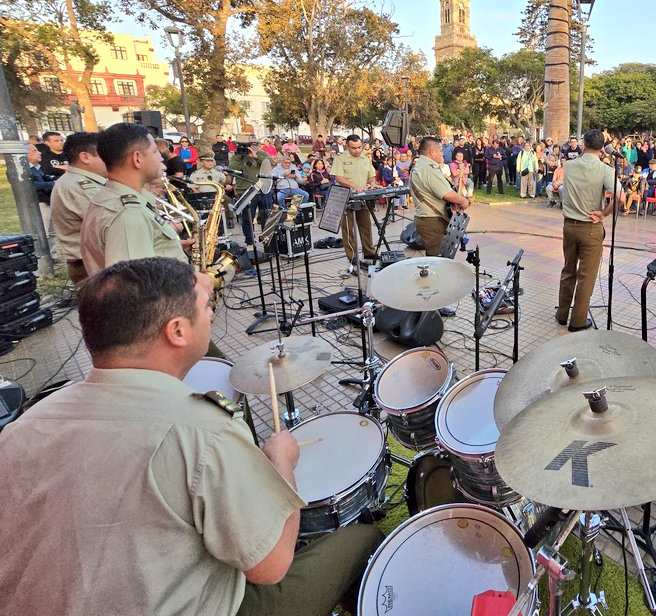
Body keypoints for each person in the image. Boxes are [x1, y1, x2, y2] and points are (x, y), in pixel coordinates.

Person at [0, 258, 381, 616]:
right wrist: (283, 462)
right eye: (206, 309)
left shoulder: (22, 428)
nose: (211, 316)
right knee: (363, 539)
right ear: (178, 331)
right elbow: (270, 565)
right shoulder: (205, 428)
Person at [80, 124, 192, 277]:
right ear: (137, 159)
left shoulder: (113, 197)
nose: (161, 158)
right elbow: (135, 288)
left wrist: (171, 249)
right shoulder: (128, 214)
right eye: (154, 152)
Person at [557, 130, 616, 332]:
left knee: (568, 270)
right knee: (586, 277)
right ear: (602, 148)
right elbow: (621, 197)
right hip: (591, 228)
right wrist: (603, 213)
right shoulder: (605, 169)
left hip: (569, 226)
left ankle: (562, 314)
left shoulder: (570, 165)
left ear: (583, 145)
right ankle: (578, 321)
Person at [49, 132, 108, 284]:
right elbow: (109, 222)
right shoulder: (79, 186)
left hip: (94, 262)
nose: (111, 159)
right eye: (105, 155)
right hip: (90, 265)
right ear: (85, 157)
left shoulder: (84, 182)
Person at [410, 136, 470, 256]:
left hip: (429, 217)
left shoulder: (422, 165)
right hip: (432, 220)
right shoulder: (428, 168)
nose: (442, 153)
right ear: (432, 152)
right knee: (436, 261)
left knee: (438, 258)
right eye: (440, 150)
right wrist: (463, 201)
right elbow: (446, 194)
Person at [331, 134, 377, 271]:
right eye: (353, 148)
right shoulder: (340, 158)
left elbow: (371, 175)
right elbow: (338, 177)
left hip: (362, 197)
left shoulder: (365, 158)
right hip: (346, 196)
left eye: (359, 147)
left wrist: (372, 184)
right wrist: (353, 186)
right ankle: (352, 257)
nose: (357, 150)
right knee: (348, 229)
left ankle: (369, 252)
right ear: (347, 146)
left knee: (366, 226)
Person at [229, 141, 275, 246]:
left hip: (263, 189)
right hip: (245, 190)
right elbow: (232, 169)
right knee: (247, 218)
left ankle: (267, 241)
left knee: (266, 216)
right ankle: (249, 241)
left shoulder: (261, 153)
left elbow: (271, 163)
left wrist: (255, 156)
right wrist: (239, 156)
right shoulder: (236, 156)